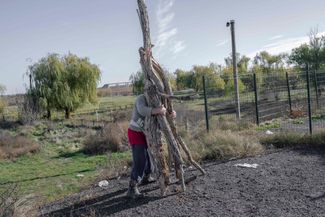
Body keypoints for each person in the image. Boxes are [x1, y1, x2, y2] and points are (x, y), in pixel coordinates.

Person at [127, 94, 176, 198]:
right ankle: (132, 186)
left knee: (149, 156)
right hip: (136, 132)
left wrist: (170, 115)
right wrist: (157, 110)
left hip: (147, 134)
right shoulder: (142, 98)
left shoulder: (158, 101)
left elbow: (164, 114)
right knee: (140, 159)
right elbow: (142, 110)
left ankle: (146, 176)